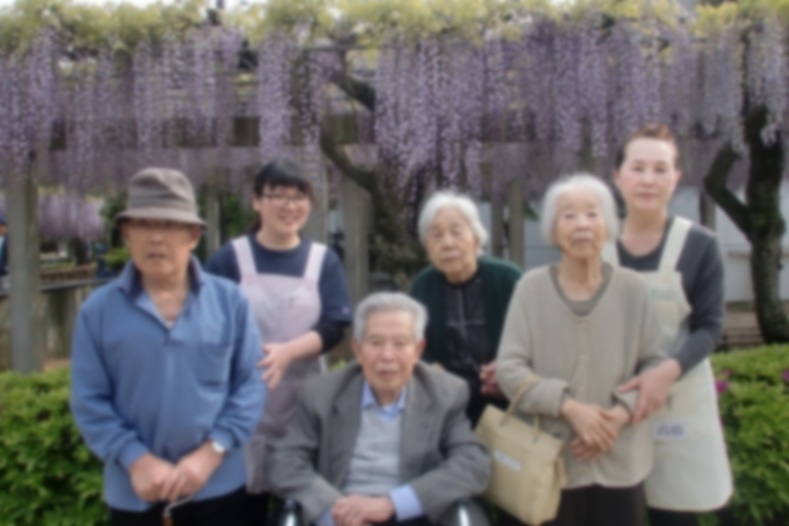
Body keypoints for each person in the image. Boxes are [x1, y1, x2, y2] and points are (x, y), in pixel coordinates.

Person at [70, 167, 266, 526]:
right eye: (143, 224)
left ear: (193, 235)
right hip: (136, 490)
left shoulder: (229, 301)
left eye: (169, 225)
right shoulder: (98, 311)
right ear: (126, 233)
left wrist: (212, 451)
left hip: (220, 486)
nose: (155, 238)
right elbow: (89, 399)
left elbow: (251, 384)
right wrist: (136, 459)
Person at [496, 174, 667, 526]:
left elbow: (657, 364)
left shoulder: (633, 290)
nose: (582, 225)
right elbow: (509, 369)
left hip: (620, 457)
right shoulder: (530, 289)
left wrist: (616, 418)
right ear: (552, 229)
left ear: (608, 224)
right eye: (569, 215)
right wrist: (569, 408)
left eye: (592, 213)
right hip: (551, 461)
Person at [205, 159, 352, 522]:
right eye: (278, 195)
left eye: (299, 197)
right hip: (239, 405)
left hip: (303, 402)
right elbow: (205, 323)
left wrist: (288, 352)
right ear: (256, 201)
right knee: (240, 507)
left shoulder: (323, 260)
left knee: (300, 506)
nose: (290, 205)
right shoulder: (230, 258)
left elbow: (335, 324)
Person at [269, 292, 491, 526]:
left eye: (400, 343)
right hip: (339, 512)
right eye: (376, 343)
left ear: (418, 350)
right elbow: (285, 462)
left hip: (412, 515)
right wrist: (336, 512)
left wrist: (392, 503)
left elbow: (472, 463)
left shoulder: (445, 393)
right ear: (357, 349)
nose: (387, 356)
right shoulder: (321, 393)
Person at [608, 123, 733, 526]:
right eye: (638, 168)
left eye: (661, 169)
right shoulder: (595, 243)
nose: (648, 179)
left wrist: (665, 372)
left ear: (676, 177)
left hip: (677, 394)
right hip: (609, 401)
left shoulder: (700, 245)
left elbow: (709, 327)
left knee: (674, 514)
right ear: (617, 176)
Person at [410, 191, 521, 426]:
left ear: (476, 238)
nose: (447, 243)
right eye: (436, 235)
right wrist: (430, 368)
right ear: (427, 246)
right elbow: (412, 344)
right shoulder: (422, 286)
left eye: (456, 231)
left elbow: (537, 340)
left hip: (507, 401)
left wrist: (508, 370)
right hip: (447, 403)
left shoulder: (507, 279)